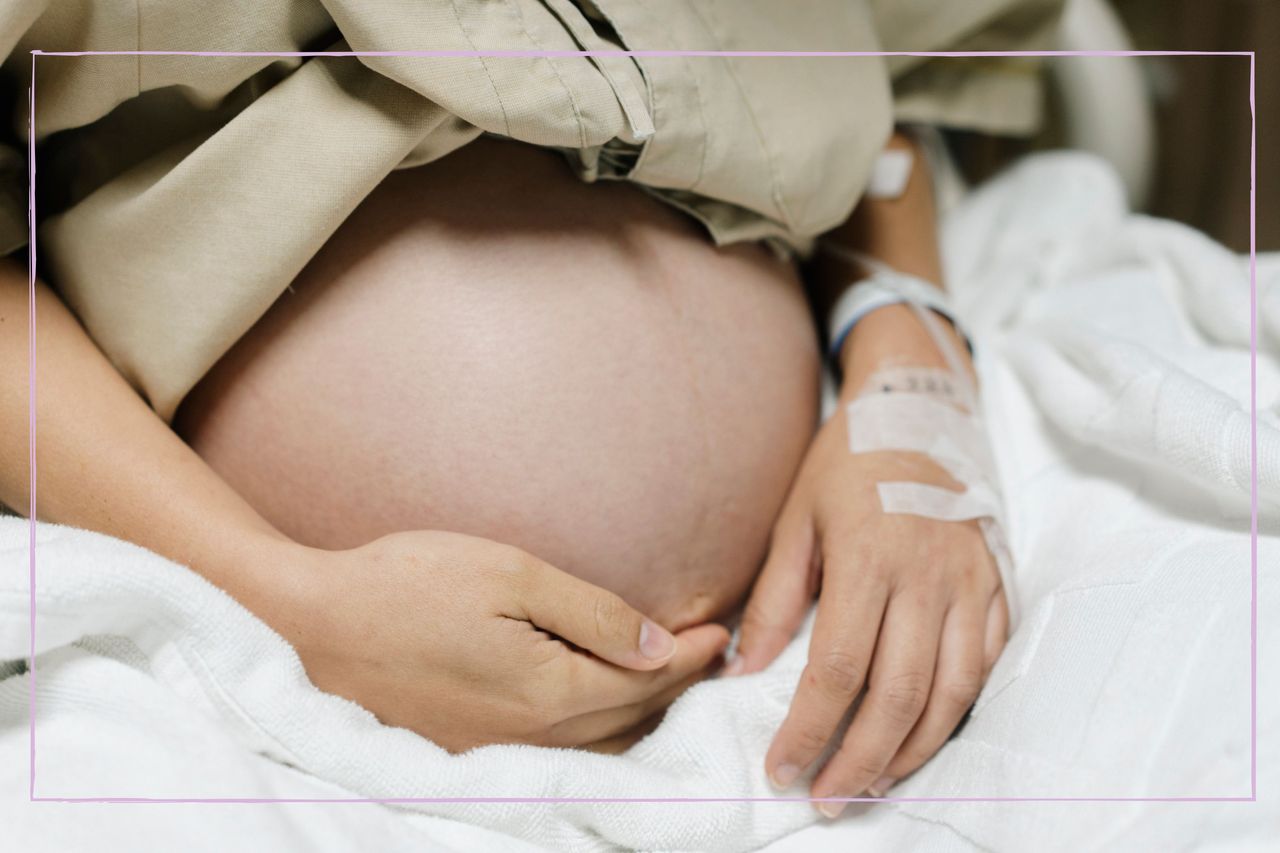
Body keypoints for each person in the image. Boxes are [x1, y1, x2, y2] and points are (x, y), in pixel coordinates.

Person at [0, 0, 1061, 817]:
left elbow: (896, 95)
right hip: (262, 668)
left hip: (823, 614)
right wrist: (281, 602)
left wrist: (909, 386)